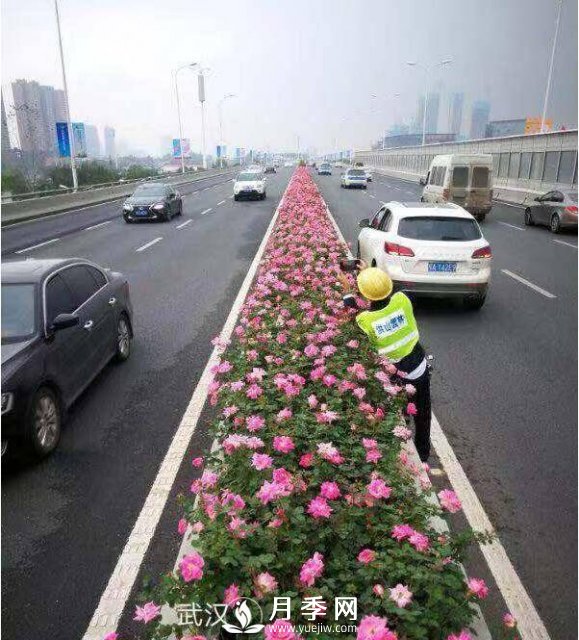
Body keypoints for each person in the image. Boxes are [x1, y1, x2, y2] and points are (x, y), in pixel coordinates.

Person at [338, 265, 431, 462]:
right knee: (423, 413)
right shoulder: (403, 299)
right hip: (419, 367)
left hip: (395, 375)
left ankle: (399, 454)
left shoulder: (365, 320)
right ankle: (423, 455)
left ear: (365, 294)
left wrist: (348, 291)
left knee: (396, 415)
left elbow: (351, 309)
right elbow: (390, 290)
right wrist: (373, 271)